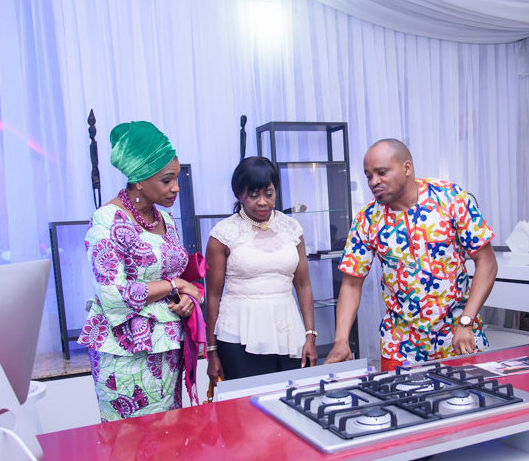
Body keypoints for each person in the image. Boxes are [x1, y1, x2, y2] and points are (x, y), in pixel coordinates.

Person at [325, 138, 497, 370]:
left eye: (381, 173)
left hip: (458, 333)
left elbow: (486, 262)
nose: (374, 182)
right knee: (395, 394)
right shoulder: (367, 219)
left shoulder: (450, 198)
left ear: (406, 168)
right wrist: (341, 340)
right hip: (400, 342)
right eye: (368, 176)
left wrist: (467, 320)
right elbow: (352, 283)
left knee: (472, 392)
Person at [77, 120, 201, 422]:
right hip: (125, 353)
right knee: (133, 441)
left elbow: (178, 278)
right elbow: (112, 294)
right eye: (167, 180)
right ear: (140, 180)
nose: (175, 187)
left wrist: (185, 300)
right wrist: (174, 285)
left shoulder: (165, 220)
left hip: (167, 350)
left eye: (176, 178)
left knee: (171, 436)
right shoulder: (108, 220)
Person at [205, 156, 318, 383]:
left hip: (289, 332)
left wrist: (310, 335)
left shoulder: (291, 228)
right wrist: (212, 351)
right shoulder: (223, 234)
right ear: (240, 195)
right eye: (254, 195)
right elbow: (213, 297)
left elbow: (303, 285)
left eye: (269, 193)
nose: (263, 202)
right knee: (247, 401)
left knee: (293, 396)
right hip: (238, 336)